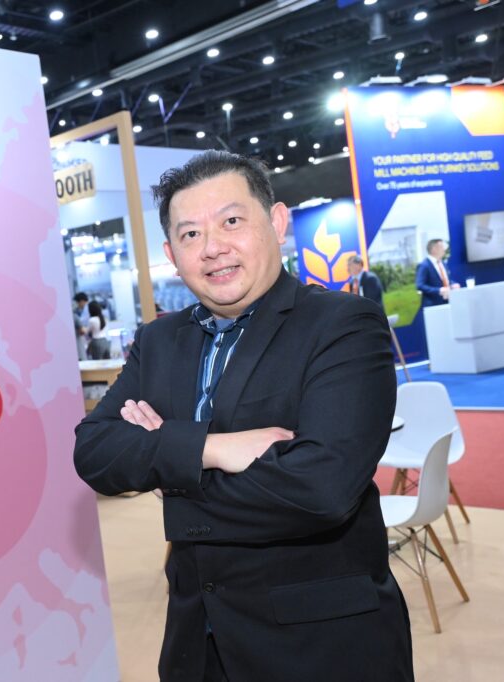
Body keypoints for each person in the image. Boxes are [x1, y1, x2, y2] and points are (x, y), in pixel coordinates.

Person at [73, 151, 412, 681]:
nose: (212, 248)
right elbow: (93, 451)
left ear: (276, 222)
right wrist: (215, 448)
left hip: (319, 646)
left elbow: (320, 490)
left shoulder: (342, 326)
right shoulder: (160, 340)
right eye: (190, 234)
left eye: (231, 221)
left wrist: (169, 468)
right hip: (196, 641)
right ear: (172, 254)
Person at [415, 238, 460, 306]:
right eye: (441, 247)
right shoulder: (424, 265)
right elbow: (420, 285)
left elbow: (445, 280)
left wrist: (452, 285)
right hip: (433, 305)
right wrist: (438, 290)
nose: (444, 249)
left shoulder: (443, 263)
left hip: (448, 302)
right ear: (434, 249)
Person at [73, 292, 90, 360]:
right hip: (78, 343)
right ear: (81, 301)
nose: (84, 306)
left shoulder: (75, 312)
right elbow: (82, 330)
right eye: (84, 303)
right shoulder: (74, 315)